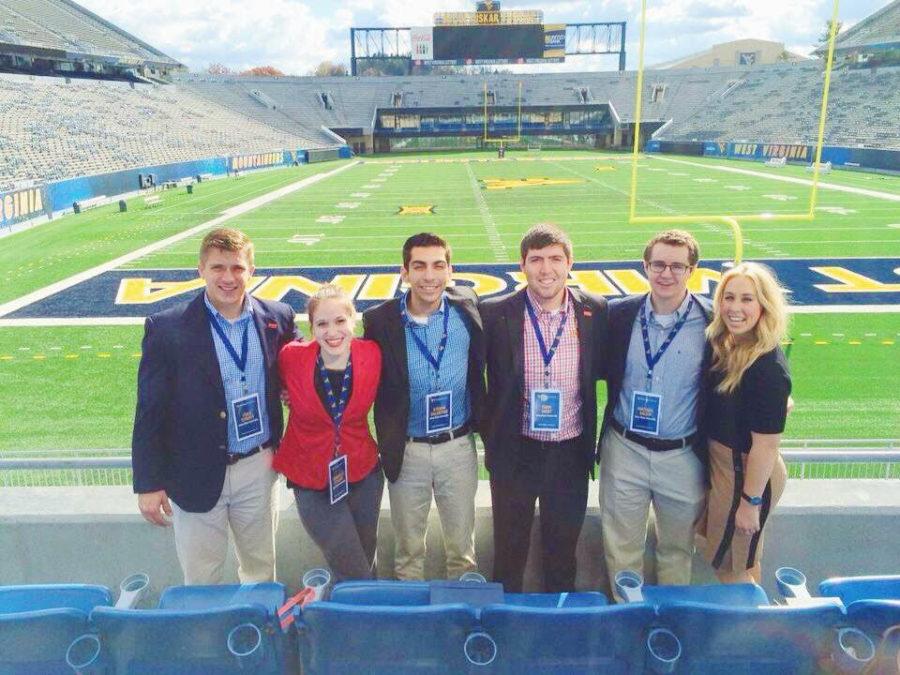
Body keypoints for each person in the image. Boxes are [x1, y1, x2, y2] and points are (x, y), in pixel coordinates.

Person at [132, 227, 297, 584]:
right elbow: (149, 410)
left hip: (258, 465)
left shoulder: (277, 317)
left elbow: (298, 363)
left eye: (237, 268)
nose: (228, 277)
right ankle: (209, 638)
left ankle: (256, 635)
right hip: (193, 469)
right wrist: (148, 482)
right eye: (218, 268)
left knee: (261, 571)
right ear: (201, 270)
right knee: (201, 578)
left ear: (251, 271)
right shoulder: (167, 327)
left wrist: (291, 388)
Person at [480, 224, 608, 593]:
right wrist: (494, 437)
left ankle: (558, 627)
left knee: (562, 551)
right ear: (522, 265)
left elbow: (607, 373)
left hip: (569, 451)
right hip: (516, 451)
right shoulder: (495, 313)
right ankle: (507, 628)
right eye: (536, 259)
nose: (545, 268)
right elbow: (478, 382)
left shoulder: (594, 310)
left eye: (555, 259)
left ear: (570, 263)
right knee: (508, 551)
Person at [363, 233, 485, 580]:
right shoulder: (379, 321)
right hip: (407, 449)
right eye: (419, 266)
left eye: (438, 266)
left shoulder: (468, 307)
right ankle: (412, 623)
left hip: (458, 446)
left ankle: (461, 623)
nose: (429, 276)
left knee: (463, 551)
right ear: (404, 272)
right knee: (408, 552)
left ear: (451, 271)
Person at [599, 229, 712, 590]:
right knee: (621, 551)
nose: (667, 273)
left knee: (678, 550)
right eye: (659, 264)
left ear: (692, 270)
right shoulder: (618, 315)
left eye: (677, 266)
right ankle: (628, 623)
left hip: (682, 455)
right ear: (645, 267)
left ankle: (670, 628)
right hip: (625, 448)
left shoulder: (713, 322)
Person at [275, 284, 383, 581]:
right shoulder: (291, 357)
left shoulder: (372, 354)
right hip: (309, 476)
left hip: (363, 471)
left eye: (340, 321)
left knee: (364, 557)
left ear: (354, 321)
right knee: (353, 567)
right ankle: (368, 619)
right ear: (311, 328)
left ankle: (350, 621)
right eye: (322, 323)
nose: (332, 331)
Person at [701, 262, 791, 584]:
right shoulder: (735, 346)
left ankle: (751, 631)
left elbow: (766, 445)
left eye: (747, 299)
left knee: (730, 568)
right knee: (746, 559)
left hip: (744, 472)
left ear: (764, 305)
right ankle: (761, 624)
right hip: (731, 467)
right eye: (729, 297)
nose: (734, 308)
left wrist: (749, 503)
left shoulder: (766, 366)